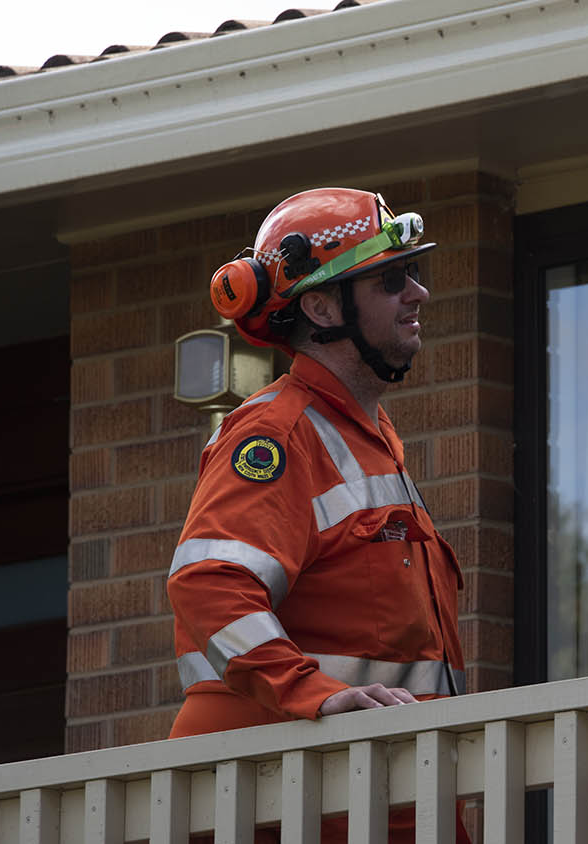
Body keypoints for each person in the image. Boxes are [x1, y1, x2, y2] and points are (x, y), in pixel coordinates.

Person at [166, 187, 469, 844]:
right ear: (322, 306)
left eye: (414, 273)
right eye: (391, 279)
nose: (417, 293)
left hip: (368, 797)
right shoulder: (276, 435)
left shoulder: (368, 437)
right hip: (281, 798)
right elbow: (209, 581)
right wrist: (316, 695)